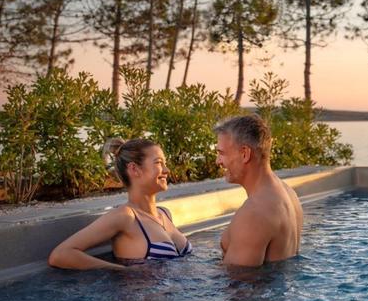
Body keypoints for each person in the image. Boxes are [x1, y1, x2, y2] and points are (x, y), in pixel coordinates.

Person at [48, 138, 191, 270]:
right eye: (158, 163)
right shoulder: (126, 217)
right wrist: (119, 270)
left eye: (165, 163)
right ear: (134, 169)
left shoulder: (164, 213)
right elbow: (60, 255)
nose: (167, 170)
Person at [215, 115, 303, 267]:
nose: (218, 161)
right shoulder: (289, 194)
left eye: (222, 153)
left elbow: (239, 279)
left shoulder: (253, 214)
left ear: (245, 154)